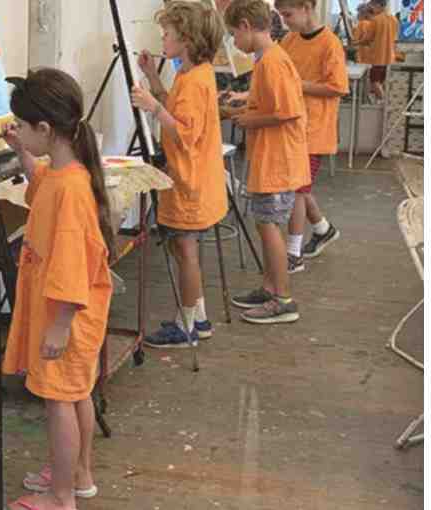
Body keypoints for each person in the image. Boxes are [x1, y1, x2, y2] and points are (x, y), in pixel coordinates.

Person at [1, 68, 115, 510]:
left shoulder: (71, 190)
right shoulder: (64, 173)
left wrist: (60, 326)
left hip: (65, 315)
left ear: (45, 129)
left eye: (23, 127)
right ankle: (78, 474)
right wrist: (21, 152)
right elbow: (41, 184)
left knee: (58, 401)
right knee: (76, 392)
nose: (19, 131)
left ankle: (61, 496)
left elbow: (70, 267)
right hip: (69, 315)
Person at [132, 1, 228, 347]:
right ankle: (197, 318)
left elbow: (185, 132)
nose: (162, 38)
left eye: (167, 33)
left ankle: (187, 325)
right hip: (193, 179)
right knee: (181, 250)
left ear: (186, 39)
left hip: (190, 183)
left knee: (185, 253)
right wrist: (153, 78)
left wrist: (154, 107)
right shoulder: (193, 74)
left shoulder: (195, 82)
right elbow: (177, 109)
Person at [224, 0, 310, 324]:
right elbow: (269, 104)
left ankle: (283, 299)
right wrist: (240, 110)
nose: (234, 42)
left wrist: (250, 120)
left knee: (268, 225)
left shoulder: (273, 61)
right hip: (271, 158)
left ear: (246, 26)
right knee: (264, 223)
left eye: (234, 34)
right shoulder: (267, 60)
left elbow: (287, 112)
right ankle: (270, 287)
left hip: (279, 160)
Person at [275, 0, 349, 272]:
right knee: (301, 189)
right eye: (281, 15)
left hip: (315, 130)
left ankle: (293, 253)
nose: (284, 21)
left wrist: (298, 85)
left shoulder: (330, 44)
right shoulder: (289, 40)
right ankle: (322, 229)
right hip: (292, 126)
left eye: (288, 14)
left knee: (297, 190)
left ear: (307, 7)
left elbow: (337, 87)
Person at [361, 0, 399, 101]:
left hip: (378, 57)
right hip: (389, 57)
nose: (372, 9)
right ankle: (381, 104)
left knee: (374, 82)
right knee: (381, 82)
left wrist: (357, 42)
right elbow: (394, 38)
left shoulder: (375, 20)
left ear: (379, 5)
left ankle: (384, 103)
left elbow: (368, 39)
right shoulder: (394, 19)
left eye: (372, 6)